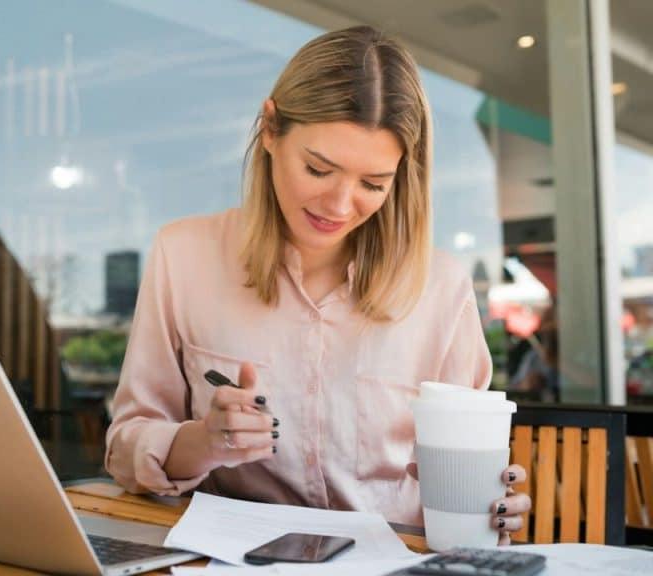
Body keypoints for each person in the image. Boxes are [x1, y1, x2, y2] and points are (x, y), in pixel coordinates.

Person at [104, 26, 531, 543]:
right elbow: (127, 447)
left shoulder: (441, 287)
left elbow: (464, 481)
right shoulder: (183, 255)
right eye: (318, 168)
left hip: (392, 557)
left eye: (373, 184)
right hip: (235, 557)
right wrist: (206, 441)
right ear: (269, 129)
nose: (339, 205)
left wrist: (492, 505)